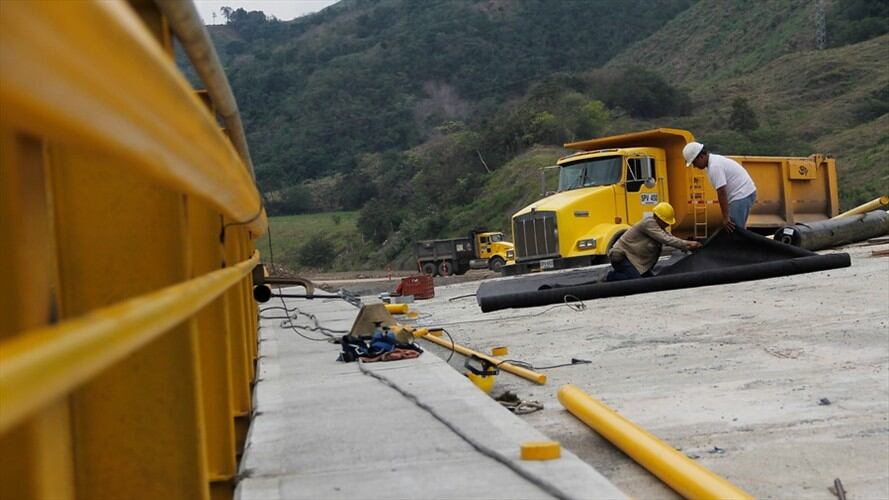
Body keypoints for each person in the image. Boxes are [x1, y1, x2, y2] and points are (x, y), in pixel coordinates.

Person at [606, 202, 702, 282]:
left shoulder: (659, 227)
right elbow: (665, 239)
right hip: (622, 258)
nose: (667, 224)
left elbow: (670, 237)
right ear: (657, 218)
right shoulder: (649, 224)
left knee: (651, 282)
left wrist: (686, 247)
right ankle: (610, 278)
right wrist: (687, 243)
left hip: (636, 263)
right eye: (665, 221)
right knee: (636, 282)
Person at [683, 142, 757, 232]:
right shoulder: (712, 163)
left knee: (734, 230)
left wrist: (725, 217)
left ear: (701, 156)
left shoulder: (715, 166)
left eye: (694, 162)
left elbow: (722, 192)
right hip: (742, 194)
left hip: (742, 195)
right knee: (736, 229)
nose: (694, 166)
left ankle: (743, 245)